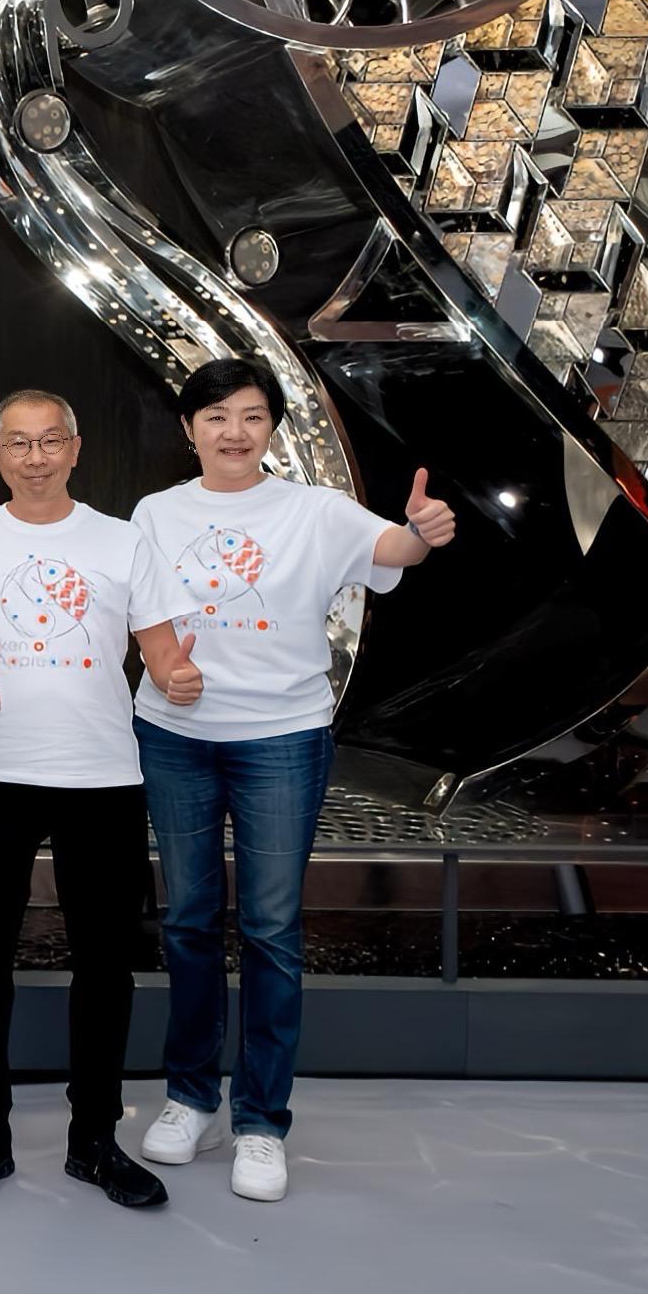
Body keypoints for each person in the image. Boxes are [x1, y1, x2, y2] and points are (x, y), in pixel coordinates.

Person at [129, 357, 455, 1203]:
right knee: (187, 920)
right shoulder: (156, 512)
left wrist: (419, 530)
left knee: (270, 928)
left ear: (271, 425)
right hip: (174, 737)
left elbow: (389, 548)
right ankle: (189, 1097)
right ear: (189, 429)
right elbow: (145, 617)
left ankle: (261, 1121)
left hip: (280, 736)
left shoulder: (313, 509)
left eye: (249, 415)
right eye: (214, 417)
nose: (232, 432)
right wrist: (165, 671)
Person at [0, 388, 184, 1212]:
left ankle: (93, 1137)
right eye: (17, 442)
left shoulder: (122, 540)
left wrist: (179, 673)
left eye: (48, 440)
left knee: (104, 961)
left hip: (102, 775)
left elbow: (162, 651)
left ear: (74, 447)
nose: (33, 456)